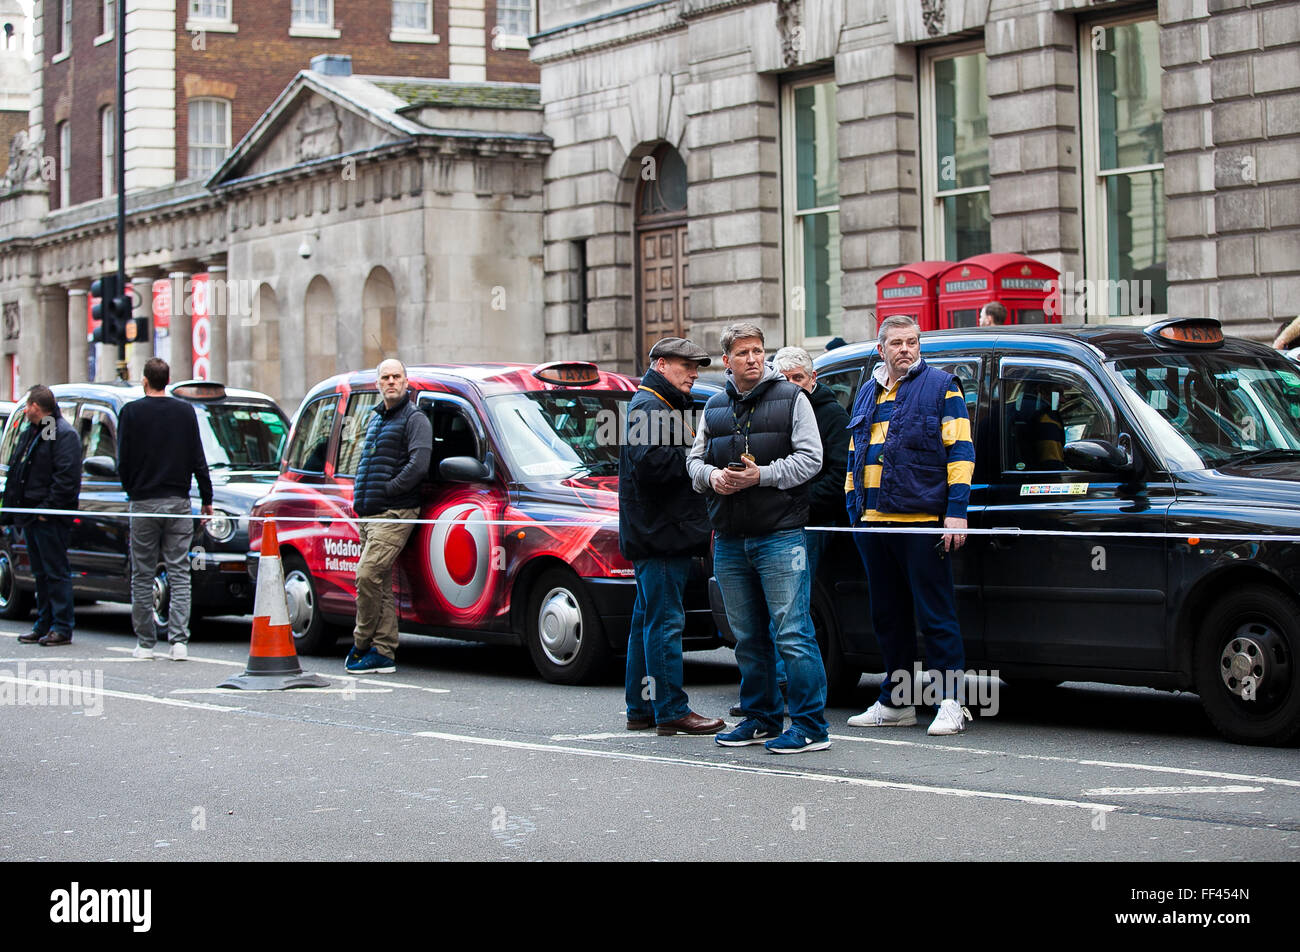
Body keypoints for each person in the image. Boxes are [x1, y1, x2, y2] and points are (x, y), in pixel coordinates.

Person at [687, 322, 830, 754]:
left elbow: (811, 460)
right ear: (726, 359)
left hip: (781, 536)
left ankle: (810, 726)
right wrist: (712, 477)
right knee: (747, 636)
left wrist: (760, 476)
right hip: (730, 539)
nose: (753, 358)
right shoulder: (713, 407)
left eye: (758, 350)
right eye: (743, 352)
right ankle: (761, 717)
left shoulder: (793, 399)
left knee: (792, 632)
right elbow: (693, 464)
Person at [844, 315, 975, 735]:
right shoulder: (867, 392)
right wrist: (854, 512)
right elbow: (854, 454)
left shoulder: (941, 386)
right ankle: (897, 702)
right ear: (881, 349)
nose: (906, 348)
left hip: (921, 521)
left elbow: (961, 451)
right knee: (888, 616)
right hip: (872, 524)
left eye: (912, 341)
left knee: (935, 614)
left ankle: (951, 703)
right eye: (897, 342)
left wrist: (956, 512)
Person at [725, 346, 850, 716]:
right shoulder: (774, 408)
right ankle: (767, 696)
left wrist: (796, 501)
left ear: (813, 379)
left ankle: (793, 699)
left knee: (792, 618)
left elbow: (836, 473)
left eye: (800, 377)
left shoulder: (830, 415)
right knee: (762, 619)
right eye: (787, 378)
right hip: (772, 521)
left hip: (811, 521)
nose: (794, 384)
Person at [619, 337, 725, 736]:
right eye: (687, 366)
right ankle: (670, 710)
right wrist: (700, 459)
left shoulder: (657, 403)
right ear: (661, 365)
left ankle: (642, 707)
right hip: (662, 536)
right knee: (664, 624)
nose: (695, 373)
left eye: (697, 366)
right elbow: (651, 468)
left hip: (656, 534)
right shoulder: (650, 406)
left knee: (647, 621)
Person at [118, 358, 214, 661]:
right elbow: (198, 458)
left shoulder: (130, 413)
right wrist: (206, 499)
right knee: (179, 571)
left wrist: (132, 489)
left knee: (143, 574)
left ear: (145, 381)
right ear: (167, 381)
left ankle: (145, 643)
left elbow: (123, 461)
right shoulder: (185, 412)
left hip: (144, 501)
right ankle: (178, 641)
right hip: (177, 501)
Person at [345, 358, 432, 674]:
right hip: (368, 513)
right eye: (386, 377)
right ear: (378, 384)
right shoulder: (375, 419)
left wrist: (390, 489)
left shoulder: (415, 418)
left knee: (366, 575)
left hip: (395, 512)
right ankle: (383, 652)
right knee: (378, 584)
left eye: (397, 376)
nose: (391, 381)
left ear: (406, 382)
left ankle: (360, 643)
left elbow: (419, 464)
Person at [2, 386, 81, 646]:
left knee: (55, 572)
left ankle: (61, 626)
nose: (24, 410)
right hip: (32, 514)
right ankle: (44, 623)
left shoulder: (62, 433)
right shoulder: (38, 431)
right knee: (41, 573)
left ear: (37, 407)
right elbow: (24, 467)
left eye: (27, 406)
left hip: (49, 517)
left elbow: (65, 478)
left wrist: (46, 509)